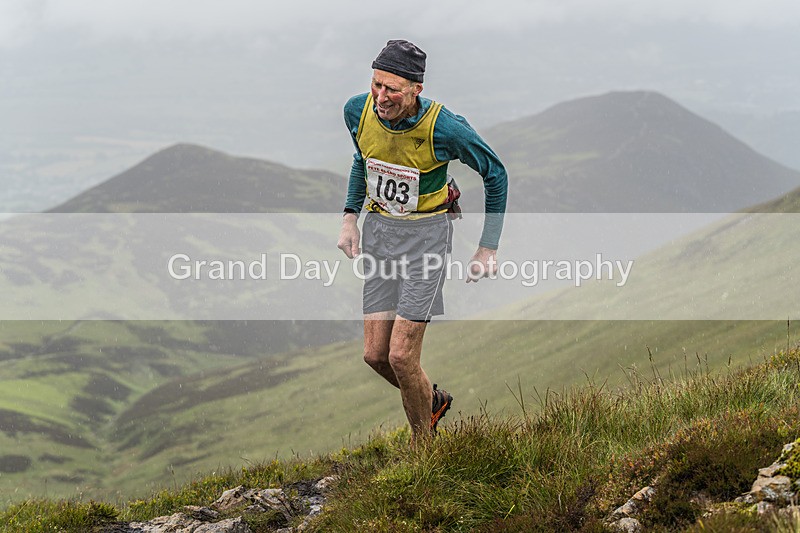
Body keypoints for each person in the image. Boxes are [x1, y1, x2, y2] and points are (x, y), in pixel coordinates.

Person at [337, 39, 508, 444]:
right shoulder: (356, 110)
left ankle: (422, 451)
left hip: (426, 242)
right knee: (376, 356)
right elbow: (363, 159)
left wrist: (488, 247)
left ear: (416, 89)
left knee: (401, 355)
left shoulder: (445, 128)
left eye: (392, 88)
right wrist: (350, 218)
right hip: (380, 236)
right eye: (376, 84)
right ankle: (432, 401)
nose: (381, 97)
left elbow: (495, 173)